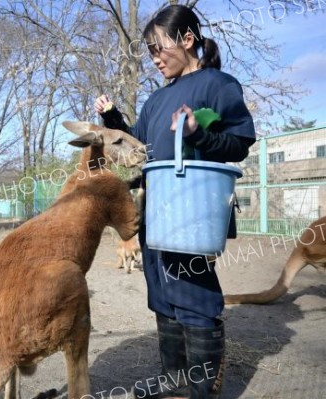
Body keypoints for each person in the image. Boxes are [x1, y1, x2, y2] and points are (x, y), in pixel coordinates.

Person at [95, 5, 256, 399]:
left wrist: (199, 134)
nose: (153, 58)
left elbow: (240, 143)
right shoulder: (156, 100)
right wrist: (113, 116)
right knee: (161, 291)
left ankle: (202, 385)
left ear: (187, 40)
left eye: (158, 48)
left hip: (194, 208)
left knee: (192, 292)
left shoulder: (218, 85)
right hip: (157, 206)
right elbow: (138, 141)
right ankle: (174, 379)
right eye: (148, 51)